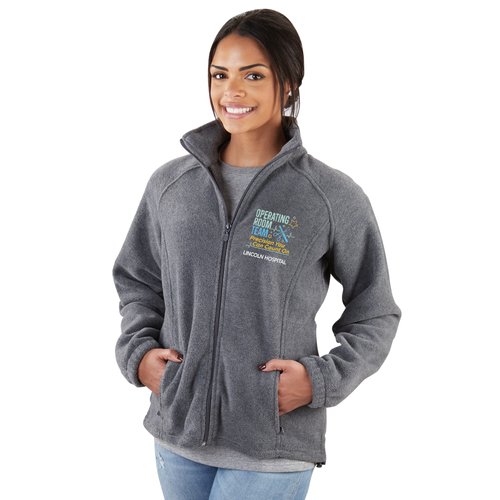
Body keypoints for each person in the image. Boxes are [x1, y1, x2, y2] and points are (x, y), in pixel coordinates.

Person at [112, 8, 402, 500]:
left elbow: (376, 312)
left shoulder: (329, 196)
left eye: (253, 76)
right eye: (219, 75)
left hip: (274, 444)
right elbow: (137, 279)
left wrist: (319, 381)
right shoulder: (171, 185)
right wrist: (139, 356)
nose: (232, 91)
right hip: (177, 436)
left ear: (288, 85)